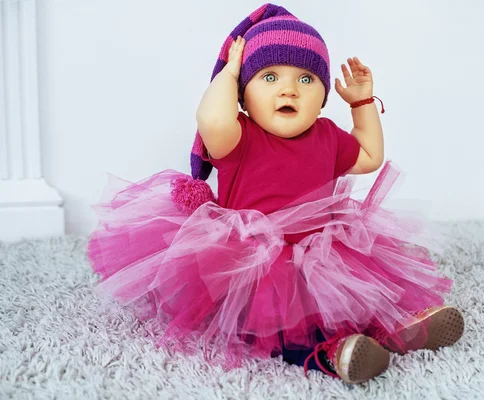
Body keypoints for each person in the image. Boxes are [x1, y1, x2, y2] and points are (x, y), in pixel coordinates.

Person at [88, 3, 464, 385]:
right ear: (242, 95)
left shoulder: (328, 135)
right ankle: (331, 354)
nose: (288, 88)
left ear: (322, 96)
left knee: (354, 297)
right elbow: (211, 118)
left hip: (321, 253)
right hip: (254, 263)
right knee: (279, 324)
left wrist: (362, 103)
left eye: (305, 80)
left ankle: (394, 331)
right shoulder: (239, 136)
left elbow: (369, 156)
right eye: (269, 77)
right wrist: (228, 73)